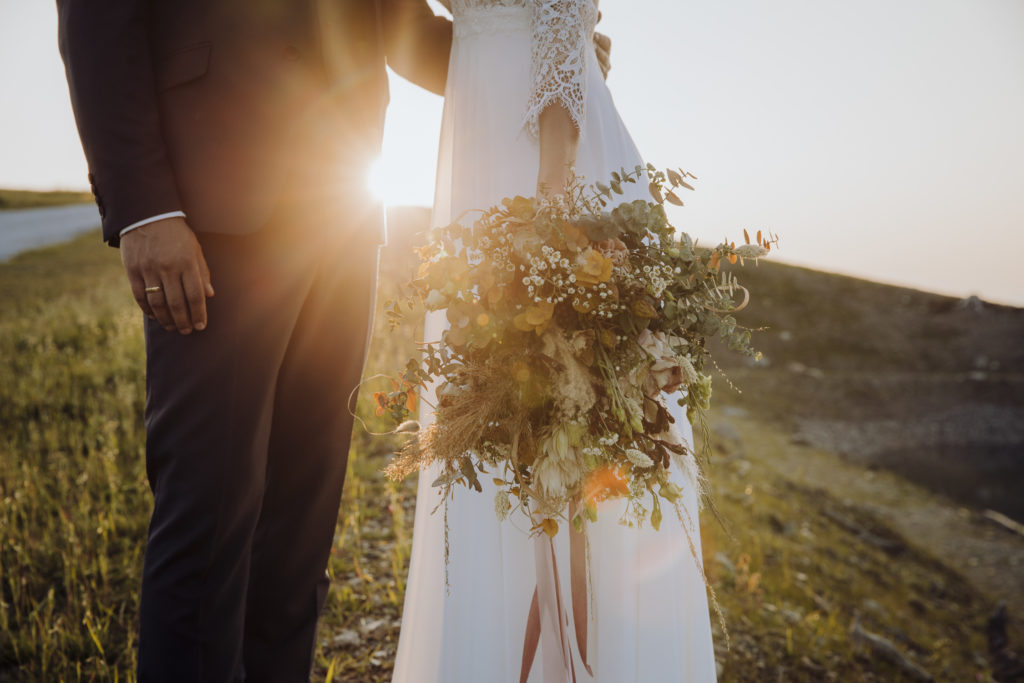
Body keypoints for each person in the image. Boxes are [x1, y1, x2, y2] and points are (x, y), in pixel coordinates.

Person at [55, 2, 452, 680]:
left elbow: (405, 27)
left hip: (343, 211)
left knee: (302, 526)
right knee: (207, 518)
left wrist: (537, 56)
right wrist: (145, 208)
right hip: (212, 206)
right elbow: (98, 19)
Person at [392, 1, 719, 681]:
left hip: (549, 160)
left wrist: (554, 204)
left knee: (578, 428)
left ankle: (581, 657)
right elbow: (404, 33)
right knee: (492, 421)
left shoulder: (552, 181)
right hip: (487, 143)